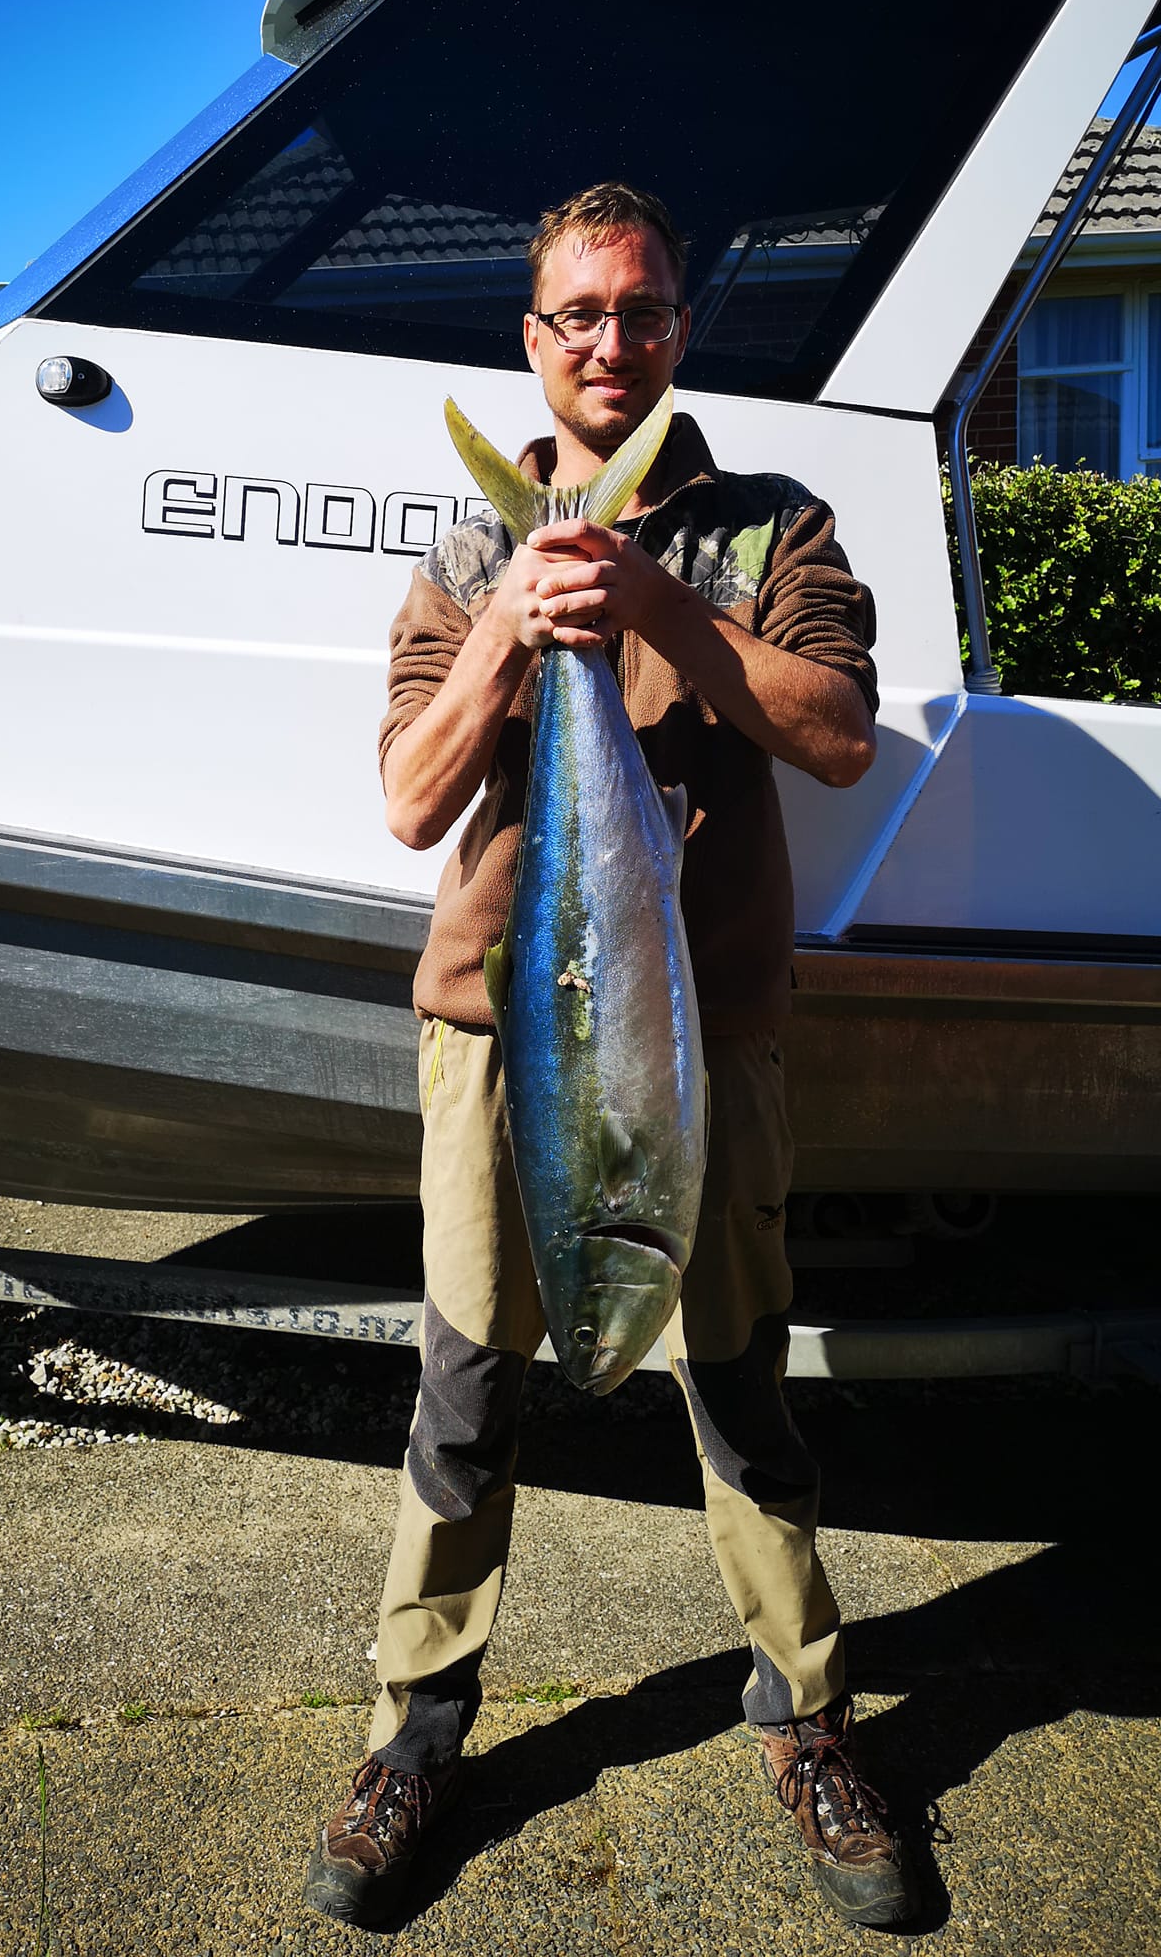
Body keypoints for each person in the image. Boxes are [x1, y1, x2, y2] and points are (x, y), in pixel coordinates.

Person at [303, 182, 914, 1931]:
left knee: (737, 1380)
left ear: (677, 329)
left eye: (639, 310)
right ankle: (415, 1735)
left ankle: (805, 1716)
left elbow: (840, 737)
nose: (607, 342)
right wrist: (516, 625)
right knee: (469, 1388)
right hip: (501, 1036)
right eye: (576, 314)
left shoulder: (775, 526)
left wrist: (649, 598)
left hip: (709, 1036)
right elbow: (413, 795)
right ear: (533, 338)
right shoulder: (466, 552)